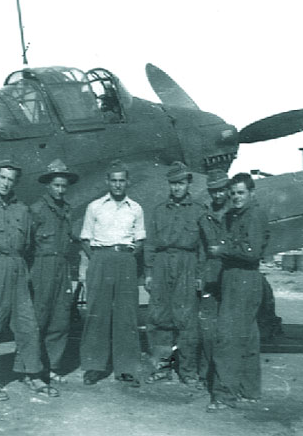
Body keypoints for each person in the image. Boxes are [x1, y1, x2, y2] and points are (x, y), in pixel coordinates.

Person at [0, 159, 58, 400]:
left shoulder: (22, 209)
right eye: (3, 178)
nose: (6, 183)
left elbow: (29, 244)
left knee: (28, 324)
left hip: (18, 267)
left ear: (15, 182)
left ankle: (32, 374)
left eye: (11, 180)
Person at [79, 159, 146, 387]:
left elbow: (140, 241)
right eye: (114, 181)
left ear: (128, 182)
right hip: (100, 258)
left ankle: (126, 368)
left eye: (122, 181)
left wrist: (125, 257)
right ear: (107, 182)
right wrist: (99, 258)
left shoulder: (135, 208)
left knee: (126, 315)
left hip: (125, 259)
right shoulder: (95, 207)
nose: (118, 185)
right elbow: (86, 238)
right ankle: (94, 366)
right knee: (97, 312)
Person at [207, 172, 269, 412]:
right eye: (232, 193)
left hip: (242, 278)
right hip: (240, 278)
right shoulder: (235, 216)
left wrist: (222, 249)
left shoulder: (253, 215)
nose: (236, 197)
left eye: (241, 192)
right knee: (248, 336)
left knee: (227, 337)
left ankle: (224, 396)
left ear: (251, 193)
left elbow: (251, 252)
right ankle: (248, 390)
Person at [144, 161, 205, 386]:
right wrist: (149, 271)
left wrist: (199, 275)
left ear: (188, 183)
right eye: (173, 184)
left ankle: (188, 370)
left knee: (186, 319)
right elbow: (150, 243)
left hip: (187, 264)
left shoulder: (199, 211)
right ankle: (162, 367)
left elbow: (203, 247)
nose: (177, 188)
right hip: (161, 263)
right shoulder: (159, 211)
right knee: (159, 316)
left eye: (181, 183)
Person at [29, 159, 79, 383]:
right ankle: (32, 369)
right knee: (39, 319)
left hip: (62, 267)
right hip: (42, 267)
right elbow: (26, 244)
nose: (60, 190)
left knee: (60, 319)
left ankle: (52, 366)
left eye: (63, 186)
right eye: (56, 185)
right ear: (48, 185)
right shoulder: (37, 210)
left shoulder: (66, 209)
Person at [196, 168, 230, 390]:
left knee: (229, 328)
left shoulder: (236, 214)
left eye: (221, 190)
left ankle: (226, 378)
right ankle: (205, 374)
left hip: (231, 276)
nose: (217, 195)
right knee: (207, 328)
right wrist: (200, 275)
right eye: (213, 191)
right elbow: (200, 249)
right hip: (210, 275)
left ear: (227, 190)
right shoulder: (204, 215)